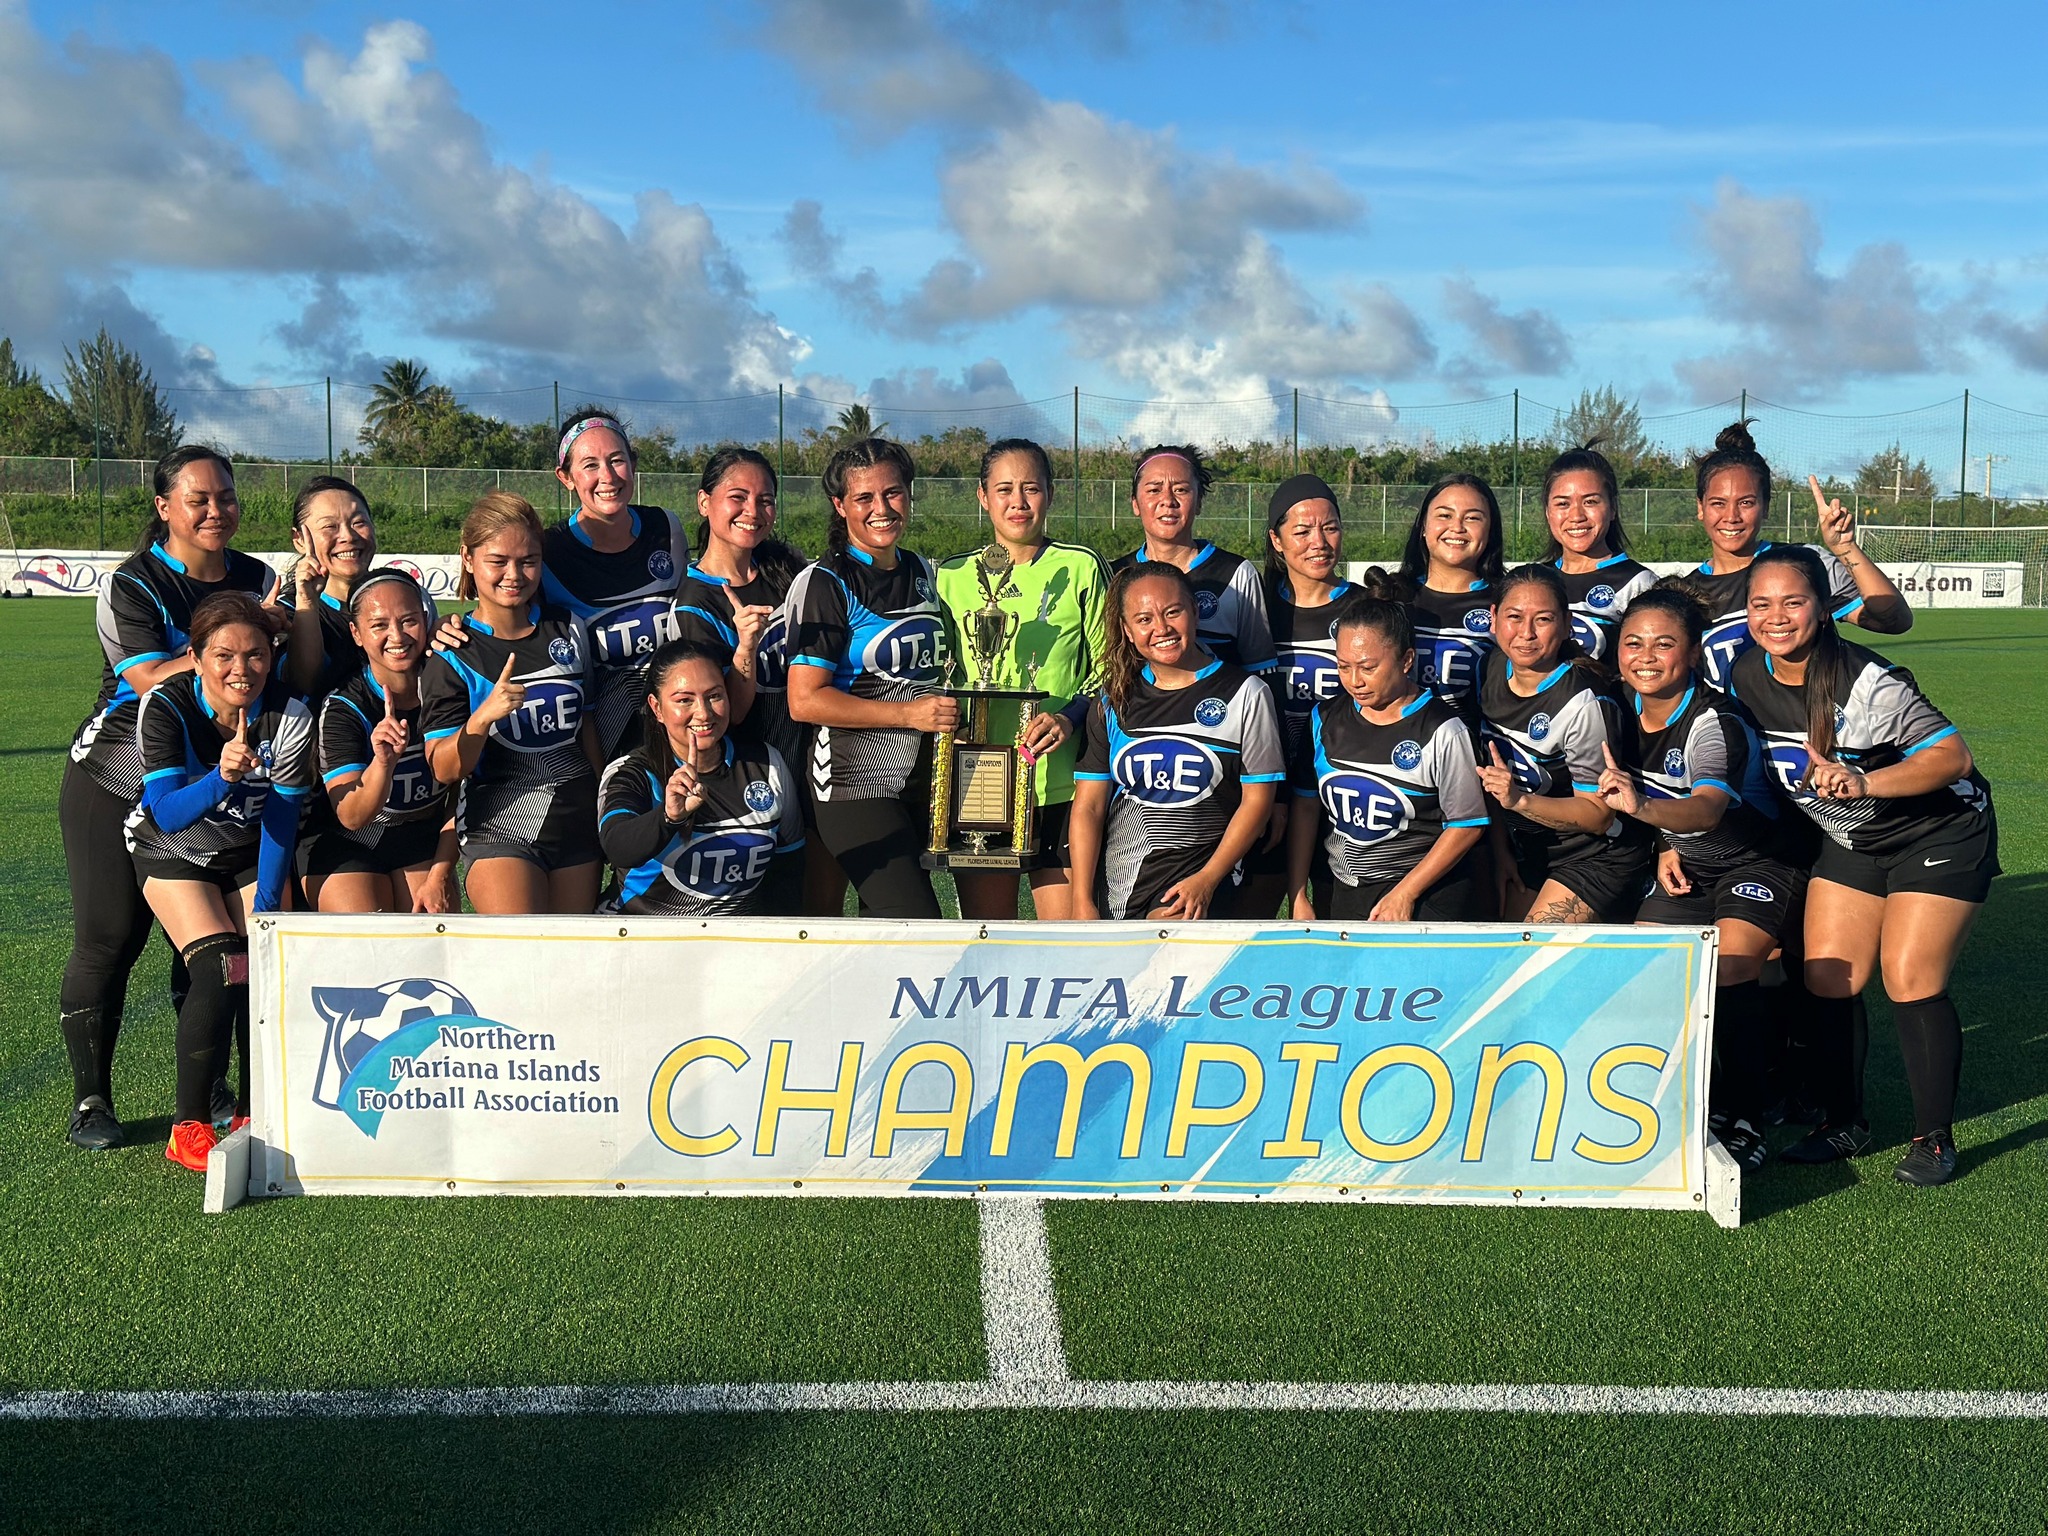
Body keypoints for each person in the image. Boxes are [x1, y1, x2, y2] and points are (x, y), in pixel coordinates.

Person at [1730, 545, 1997, 1186]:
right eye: (1761, 603)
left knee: (1909, 978)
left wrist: (1864, 780)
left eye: (1793, 602)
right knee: (1828, 977)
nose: (1776, 616)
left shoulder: (1866, 681)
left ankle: (1933, 1138)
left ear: (1824, 609)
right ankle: (1844, 1120)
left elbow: (1952, 757)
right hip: (1854, 839)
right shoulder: (1745, 675)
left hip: (1942, 831)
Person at [58, 446, 278, 1152]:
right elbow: (152, 676)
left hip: (217, 784)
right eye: (199, 499)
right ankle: (92, 1098)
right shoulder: (132, 582)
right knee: (110, 937)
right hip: (116, 777)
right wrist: (239, 638)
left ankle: (212, 1088)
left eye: (227, 496)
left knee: (217, 944)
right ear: (164, 508)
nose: (217, 511)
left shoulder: (258, 577)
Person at [1596, 583, 1805, 1171]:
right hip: (1689, 861)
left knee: (1732, 968)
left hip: (1760, 858)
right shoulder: (1617, 708)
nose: (1645, 655)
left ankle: (1747, 1114)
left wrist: (1645, 813)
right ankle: (1677, 1102)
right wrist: (1664, 839)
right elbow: (1673, 813)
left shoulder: (1715, 719)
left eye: (1664, 644)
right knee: (1651, 967)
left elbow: (1708, 806)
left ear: (1692, 654)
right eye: (1633, 642)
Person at [126, 593, 314, 1171]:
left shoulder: (291, 714)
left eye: (257, 655)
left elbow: (281, 816)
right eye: (224, 656)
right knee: (221, 964)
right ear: (196, 656)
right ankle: (190, 1126)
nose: (242, 670)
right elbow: (165, 812)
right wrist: (221, 776)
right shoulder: (165, 704)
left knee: (265, 960)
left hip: (243, 850)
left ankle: (259, 1112)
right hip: (171, 847)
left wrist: (264, 910)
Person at [935, 437, 1109, 921]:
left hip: (1058, 785)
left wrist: (1070, 717)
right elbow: (939, 675)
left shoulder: (1080, 567)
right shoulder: (951, 576)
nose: (1018, 502)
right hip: (978, 787)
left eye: (1030, 488)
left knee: (1064, 940)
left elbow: (1109, 669)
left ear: (1050, 494)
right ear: (982, 496)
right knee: (991, 937)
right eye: (1004, 489)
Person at [785, 437, 956, 918]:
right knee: (914, 923)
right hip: (851, 780)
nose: (881, 509)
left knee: (878, 928)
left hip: (917, 777)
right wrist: (909, 715)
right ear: (840, 506)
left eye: (893, 493)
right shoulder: (826, 581)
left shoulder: (922, 569)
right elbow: (805, 701)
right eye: (864, 498)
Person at [662, 446, 832, 915]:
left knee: (815, 912)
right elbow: (726, 714)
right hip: (748, 777)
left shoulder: (788, 575)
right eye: (738, 497)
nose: (753, 511)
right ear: (704, 502)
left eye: (766, 500)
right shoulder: (694, 602)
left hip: (811, 761)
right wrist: (745, 649)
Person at [1069, 564, 1285, 921]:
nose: (1162, 629)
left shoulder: (1245, 694)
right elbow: (1089, 806)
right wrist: (1082, 900)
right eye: (1144, 619)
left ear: (1195, 611)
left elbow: (1257, 801)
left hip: (1203, 882)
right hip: (1122, 884)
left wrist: (1208, 879)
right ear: (1127, 629)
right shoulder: (1112, 699)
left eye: (1173, 612)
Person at [420, 492, 603, 915]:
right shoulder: (452, 652)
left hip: (577, 825)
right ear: (467, 558)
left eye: (528, 561)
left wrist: (601, 806)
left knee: (573, 965)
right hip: (500, 828)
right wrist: (482, 719)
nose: (514, 575)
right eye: (498, 561)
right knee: (523, 965)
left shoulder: (569, 628)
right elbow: (444, 768)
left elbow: (587, 727)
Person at [1286, 591, 1488, 922]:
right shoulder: (1323, 718)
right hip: (1343, 892)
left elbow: (1467, 824)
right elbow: (1306, 806)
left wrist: (1406, 893)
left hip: (1424, 897)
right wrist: (1297, 894)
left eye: (1368, 667)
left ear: (1406, 660)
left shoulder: (1444, 730)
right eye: (1343, 666)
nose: (1354, 681)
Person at [1476, 563, 1650, 923]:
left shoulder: (1584, 702)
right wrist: (1501, 850)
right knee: (1491, 951)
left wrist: (1519, 800)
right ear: (1493, 618)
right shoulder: (1490, 666)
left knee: (1528, 955)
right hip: (1528, 849)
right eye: (1514, 616)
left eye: (1542, 619)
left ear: (1567, 622)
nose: (1525, 633)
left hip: (1594, 855)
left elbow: (1599, 814)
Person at [1688, 420, 1910, 688]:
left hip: (1807, 727)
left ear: (1766, 507)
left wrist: (1845, 548)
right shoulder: (1684, 594)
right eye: (1718, 503)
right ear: (1700, 507)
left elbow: (1893, 620)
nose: (1732, 517)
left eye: (1746, 502)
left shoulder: (1804, 563)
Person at [598, 640, 804, 915]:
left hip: (733, 944)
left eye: (714, 696)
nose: (703, 713)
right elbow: (618, 847)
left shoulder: (766, 764)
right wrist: (669, 818)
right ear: (657, 708)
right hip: (642, 937)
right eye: (684, 700)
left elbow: (789, 866)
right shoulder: (630, 771)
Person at [305, 570, 460, 914]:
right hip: (344, 841)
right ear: (356, 634)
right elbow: (351, 815)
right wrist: (383, 764)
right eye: (379, 626)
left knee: (430, 944)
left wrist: (440, 872)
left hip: (419, 834)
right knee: (370, 943)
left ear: (426, 619)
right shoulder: (345, 705)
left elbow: (462, 796)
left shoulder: (450, 685)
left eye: (409, 620)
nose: (397, 636)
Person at [538, 410, 691, 757]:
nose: (607, 476)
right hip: (605, 745)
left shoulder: (666, 528)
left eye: (617, 460)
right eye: (590, 465)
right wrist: (448, 626)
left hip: (681, 732)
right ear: (566, 477)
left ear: (633, 465)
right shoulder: (549, 553)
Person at [1240, 473, 1358, 918]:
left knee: (1337, 924)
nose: (1319, 542)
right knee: (1248, 920)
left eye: (1329, 527)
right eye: (1302, 530)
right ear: (1276, 539)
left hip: (1341, 793)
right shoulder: (1256, 607)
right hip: (1266, 790)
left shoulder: (1366, 610)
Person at [1108, 444, 1277, 674]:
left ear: (1198, 502)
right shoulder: (1113, 575)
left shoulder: (1237, 575)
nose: (1168, 500)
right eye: (1154, 490)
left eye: (1181, 489)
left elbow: (1261, 669)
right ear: (1135, 503)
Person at [1399, 473, 1506, 716]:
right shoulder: (1393, 597)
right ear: (1423, 527)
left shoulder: (1508, 603)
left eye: (1473, 518)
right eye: (1445, 515)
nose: (1457, 527)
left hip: (1475, 752)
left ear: (1490, 531)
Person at [1541, 442, 1655, 661]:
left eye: (1590, 501)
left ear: (1612, 508)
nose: (1576, 516)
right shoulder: (1534, 580)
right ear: (1548, 512)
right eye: (1563, 504)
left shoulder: (1638, 584)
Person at [282, 475, 384, 699]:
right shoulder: (285, 612)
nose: (348, 536)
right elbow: (303, 685)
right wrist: (307, 602)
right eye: (329, 526)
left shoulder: (402, 598)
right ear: (298, 539)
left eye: (359, 522)